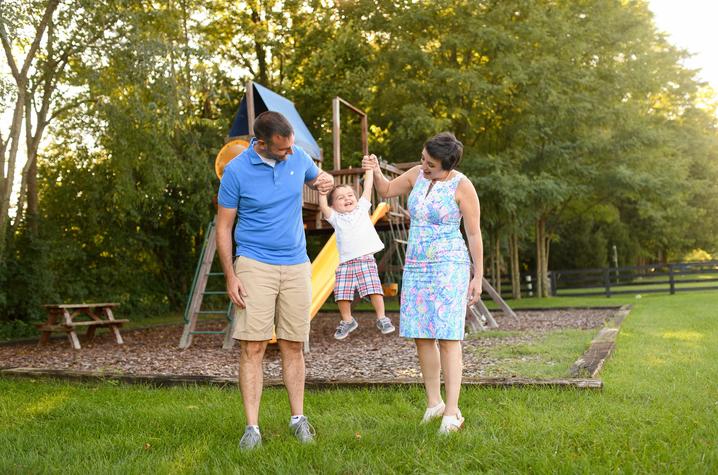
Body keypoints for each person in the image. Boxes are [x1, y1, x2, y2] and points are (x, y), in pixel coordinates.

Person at [216, 111, 334, 450]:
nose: (289, 153)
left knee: (293, 344)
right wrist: (231, 275)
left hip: (296, 264)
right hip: (254, 263)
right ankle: (252, 428)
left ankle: (298, 419)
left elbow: (316, 177)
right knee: (252, 346)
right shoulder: (236, 171)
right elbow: (224, 228)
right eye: (282, 149)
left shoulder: (296, 155)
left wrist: (324, 179)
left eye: (291, 146)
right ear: (262, 144)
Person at [362, 132, 483, 434]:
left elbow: (474, 234)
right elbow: (387, 189)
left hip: (449, 265)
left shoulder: (462, 185)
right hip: (417, 265)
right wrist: (375, 169)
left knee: (447, 335)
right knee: (422, 335)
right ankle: (434, 404)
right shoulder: (417, 174)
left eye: (430, 164)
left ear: (447, 165)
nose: (423, 166)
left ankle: (453, 412)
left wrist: (477, 275)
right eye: (423, 160)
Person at [317, 168, 396, 340]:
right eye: (340, 197)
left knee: (374, 289)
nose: (347, 199)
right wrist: (322, 192)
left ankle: (382, 318)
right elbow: (323, 206)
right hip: (345, 264)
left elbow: (368, 188)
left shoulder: (361, 210)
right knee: (341, 293)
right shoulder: (335, 218)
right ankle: (348, 320)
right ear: (334, 206)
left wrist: (369, 170)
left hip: (366, 261)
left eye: (350, 195)